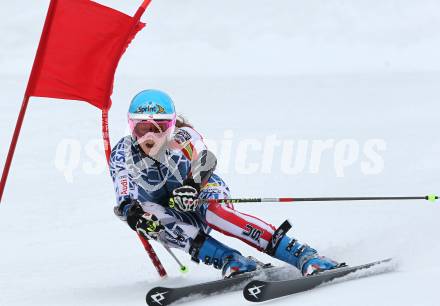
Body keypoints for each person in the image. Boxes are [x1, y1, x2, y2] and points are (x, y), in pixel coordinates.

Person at [110, 89, 342, 278]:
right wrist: (133, 214)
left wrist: (192, 185)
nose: (150, 136)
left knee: (214, 213)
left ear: (171, 126)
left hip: (202, 192)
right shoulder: (123, 152)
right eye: (143, 128)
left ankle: (302, 254)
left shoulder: (183, 136)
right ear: (132, 127)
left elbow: (206, 158)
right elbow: (125, 197)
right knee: (148, 216)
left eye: (159, 127)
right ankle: (231, 260)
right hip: (175, 216)